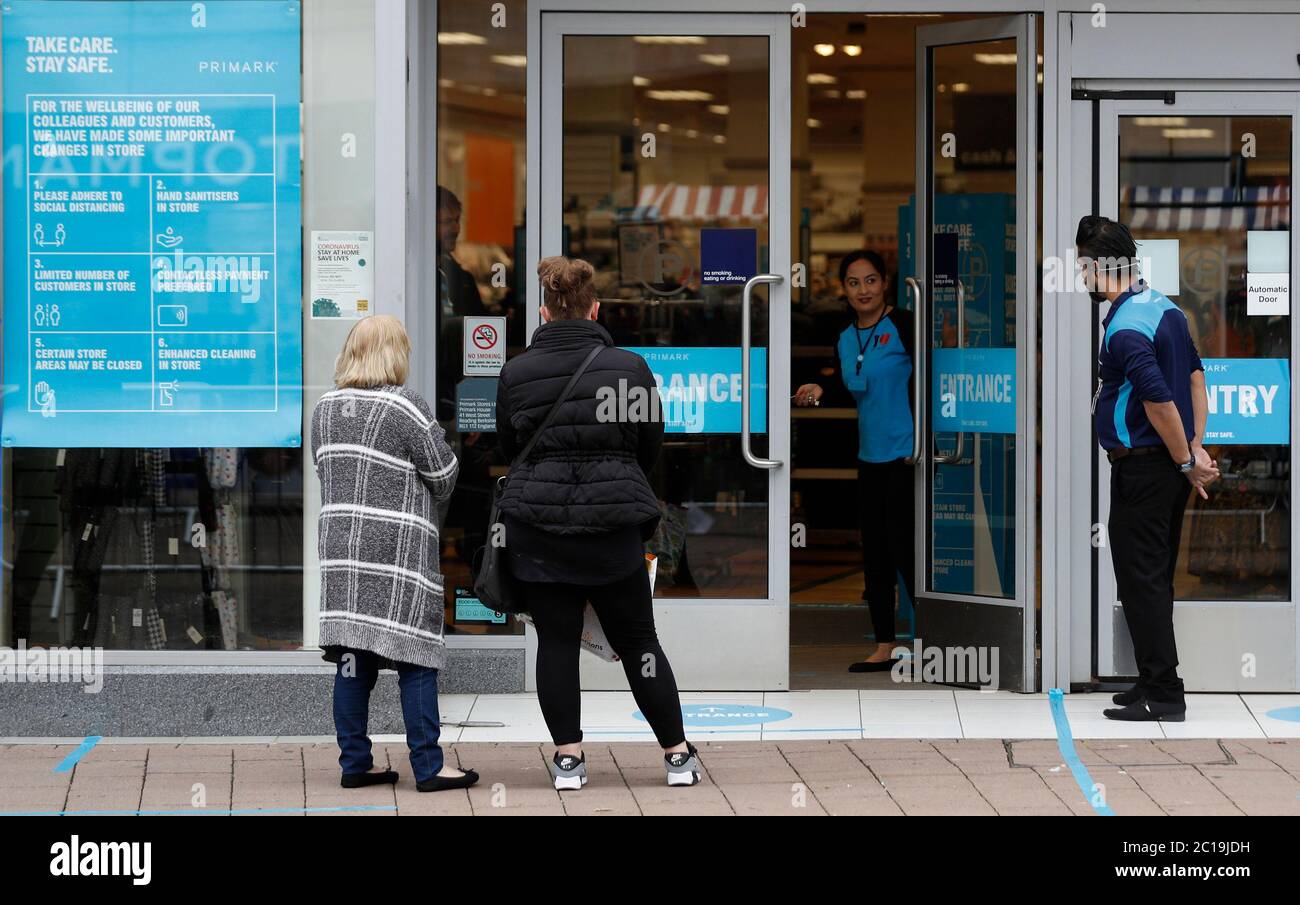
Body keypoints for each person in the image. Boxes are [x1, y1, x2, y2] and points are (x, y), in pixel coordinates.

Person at [495, 255, 700, 790]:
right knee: (639, 643)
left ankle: (568, 760)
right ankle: (677, 756)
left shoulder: (516, 371)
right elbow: (650, 446)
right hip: (613, 531)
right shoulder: (628, 368)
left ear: (544, 312)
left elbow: (507, 447)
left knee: (558, 644)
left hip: (539, 533)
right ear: (595, 309)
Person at [311, 315, 478, 792]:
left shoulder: (324, 408)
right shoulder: (405, 406)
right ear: (395, 354)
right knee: (416, 658)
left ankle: (355, 765)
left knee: (352, 659)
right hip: (397, 552)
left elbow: (325, 470)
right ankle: (429, 767)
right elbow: (445, 474)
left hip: (343, 553)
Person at [1077, 215, 1220, 722]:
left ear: (1097, 266)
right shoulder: (1164, 308)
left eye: (1082, 268)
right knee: (1151, 577)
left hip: (1145, 467)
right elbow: (1198, 379)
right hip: (1163, 466)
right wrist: (1196, 449)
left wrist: (1186, 460)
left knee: (1142, 580)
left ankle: (1163, 694)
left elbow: (1159, 400)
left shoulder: (1125, 327)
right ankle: (1150, 679)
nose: (1081, 278)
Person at [794, 250, 916, 673]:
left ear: (885, 284)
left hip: (907, 455)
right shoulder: (845, 337)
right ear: (843, 289)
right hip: (870, 457)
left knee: (906, 551)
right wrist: (822, 389)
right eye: (853, 283)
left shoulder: (903, 326)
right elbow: (852, 387)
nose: (863, 290)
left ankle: (930, 643)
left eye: (870, 281)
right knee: (876, 554)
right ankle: (884, 645)